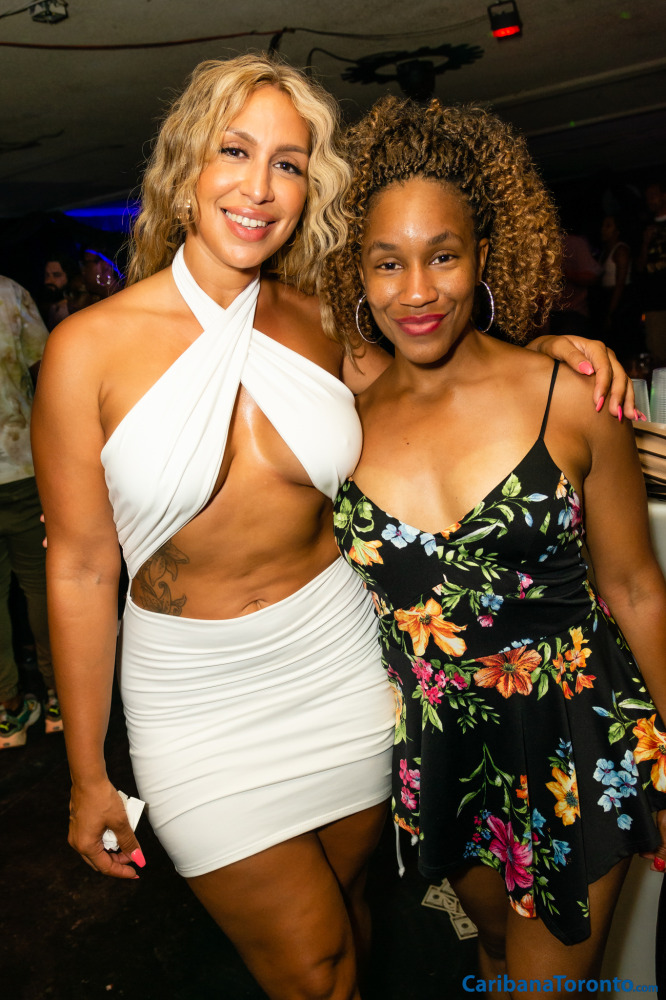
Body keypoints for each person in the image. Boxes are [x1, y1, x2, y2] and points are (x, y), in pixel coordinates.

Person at [31, 55, 638, 1000]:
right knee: (313, 966)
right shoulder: (85, 350)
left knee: (351, 922)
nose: (260, 186)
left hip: (341, 666)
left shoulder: (325, 325)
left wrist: (552, 355)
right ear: (186, 164)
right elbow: (77, 568)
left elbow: (444, 376)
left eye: (289, 163)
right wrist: (85, 772)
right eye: (236, 151)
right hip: (192, 699)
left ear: (310, 189)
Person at [324, 97, 666, 995]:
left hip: (576, 737)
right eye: (388, 262)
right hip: (440, 751)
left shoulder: (570, 397)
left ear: (484, 256)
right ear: (356, 270)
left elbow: (637, 589)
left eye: (443, 256)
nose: (418, 291)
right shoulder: (338, 427)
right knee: (496, 955)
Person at [0, 274, 61, 748]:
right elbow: (47, 372)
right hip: (20, 464)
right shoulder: (9, 293)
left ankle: (8, 711)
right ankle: (61, 698)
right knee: (42, 586)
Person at [637, 179, 666, 367]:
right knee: (658, 357)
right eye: (647, 197)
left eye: (653, 195)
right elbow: (639, 268)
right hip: (654, 300)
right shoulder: (644, 227)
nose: (650, 200)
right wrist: (646, 243)